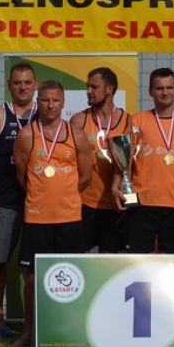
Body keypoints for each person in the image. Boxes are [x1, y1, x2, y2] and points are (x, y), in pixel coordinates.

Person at [12, 80, 92, 347]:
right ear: (38, 102)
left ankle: (72, 329)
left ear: (63, 103)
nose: (50, 105)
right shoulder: (26, 135)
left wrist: (63, 196)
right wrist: (42, 196)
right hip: (37, 218)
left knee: (72, 277)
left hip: (69, 218)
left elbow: (86, 176)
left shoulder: (76, 135)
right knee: (33, 278)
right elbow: (22, 176)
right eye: (45, 100)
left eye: (55, 100)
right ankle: (29, 332)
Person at [0, 62, 38, 341]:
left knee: (36, 264)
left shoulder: (45, 113)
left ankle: (35, 321)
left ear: (35, 85)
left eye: (27, 82)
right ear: (9, 85)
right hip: (5, 200)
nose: (22, 87)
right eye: (17, 82)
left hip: (39, 202)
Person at [117, 67, 174, 254]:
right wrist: (119, 186)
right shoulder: (138, 119)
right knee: (138, 260)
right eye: (159, 88)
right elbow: (124, 160)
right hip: (141, 203)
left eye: (169, 87)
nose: (165, 92)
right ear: (150, 91)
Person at [70, 67, 132, 252]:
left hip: (115, 204)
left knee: (110, 261)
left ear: (109, 89)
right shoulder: (79, 120)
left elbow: (129, 164)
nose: (89, 91)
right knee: (81, 260)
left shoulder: (128, 121)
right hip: (84, 203)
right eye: (87, 87)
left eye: (94, 87)